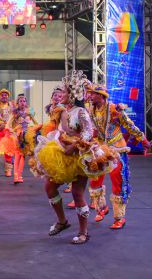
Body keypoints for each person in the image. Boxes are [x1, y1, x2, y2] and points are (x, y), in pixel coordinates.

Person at [30, 71, 119, 244]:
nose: (59, 95)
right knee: (49, 187)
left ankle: (83, 232)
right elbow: (61, 132)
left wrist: (72, 146)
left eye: (62, 92)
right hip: (62, 156)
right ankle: (62, 221)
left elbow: (87, 134)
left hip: (79, 158)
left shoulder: (81, 112)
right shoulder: (62, 111)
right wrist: (57, 142)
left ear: (71, 94)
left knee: (78, 194)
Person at [86, 84, 149, 229]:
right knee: (95, 180)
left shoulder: (114, 109)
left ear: (101, 96)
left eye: (93, 94)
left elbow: (129, 125)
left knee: (118, 183)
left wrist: (143, 140)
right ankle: (101, 208)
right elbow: (93, 130)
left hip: (116, 150)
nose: (90, 96)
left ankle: (119, 218)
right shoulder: (91, 110)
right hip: (100, 150)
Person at [0, 94, 37, 184]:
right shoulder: (15, 112)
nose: (23, 103)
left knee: (23, 156)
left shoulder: (29, 112)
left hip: (27, 136)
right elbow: (8, 124)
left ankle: (19, 175)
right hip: (18, 136)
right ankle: (16, 176)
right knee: (17, 155)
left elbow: (36, 122)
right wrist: (12, 131)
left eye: (24, 101)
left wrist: (37, 129)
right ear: (17, 103)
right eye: (20, 101)